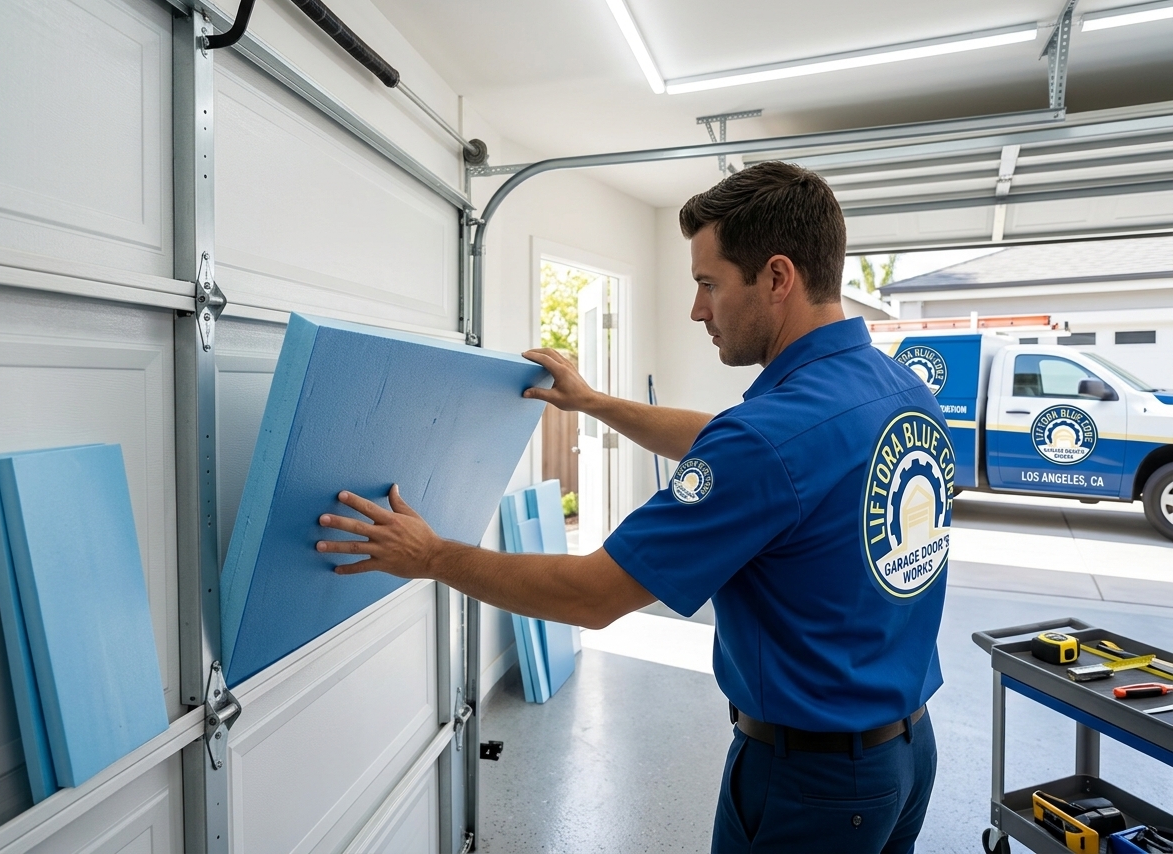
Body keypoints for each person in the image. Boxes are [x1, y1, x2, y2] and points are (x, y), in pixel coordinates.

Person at [316, 161, 954, 854]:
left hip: (813, 786)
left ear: (777, 277)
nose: (698, 310)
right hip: (906, 756)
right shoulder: (899, 390)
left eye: (709, 283)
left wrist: (433, 556)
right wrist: (593, 403)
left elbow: (592, 595)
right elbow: (739, 446)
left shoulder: (768, 441)